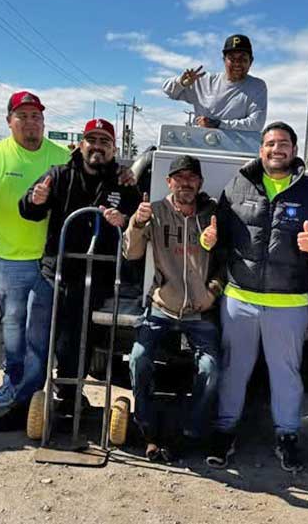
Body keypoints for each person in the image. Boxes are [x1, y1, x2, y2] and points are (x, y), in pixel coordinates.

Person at [202, 121, 308, 473]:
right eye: (270, 143)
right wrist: (209, 242)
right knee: (234, 369)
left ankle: (288, 436)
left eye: (284, 144)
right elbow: (221, 238)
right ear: (260, 149)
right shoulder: (237, 185)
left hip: (289, 303)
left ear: (294, 150)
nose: (276, 150)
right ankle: (224, 430)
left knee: (286, 374)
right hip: (239, 300)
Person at [0, 91, 70, 427]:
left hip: (52, 261)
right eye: (23, 116)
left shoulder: (61, 156)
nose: (31, 122)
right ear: (9, 121)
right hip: (9, 260)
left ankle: (31, 391)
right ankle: (13, 380)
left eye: (36, 116)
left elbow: (93, 176)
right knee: (13, 328)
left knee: (39, 332)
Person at [18, 118, 140, 424]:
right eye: (92, 140)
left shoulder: (123, 182)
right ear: (81, 144)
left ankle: (71, 395)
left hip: (98, 275)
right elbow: (29, 209)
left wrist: (123, 220)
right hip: (57, 271)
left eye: (104, 142)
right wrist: (35, 200)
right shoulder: (59, 175)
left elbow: (138, 221)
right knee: (44, 337)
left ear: (113, 149)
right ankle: (31, 398)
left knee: (82, 337)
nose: (97, 147)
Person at [123, 155, 221, 461]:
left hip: (200, 310)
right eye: (179, 178)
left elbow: (230, 261)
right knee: (138, 358)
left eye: (192, 178)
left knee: (211, 368)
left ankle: (190, 431)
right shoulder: (155, 211)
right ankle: (147, 427)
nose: (186, 183)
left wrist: (213, 293)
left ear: (200, 183)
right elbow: (131, 253)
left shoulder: (214, 214)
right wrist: (136, 223)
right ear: (169, 182)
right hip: (162, 306)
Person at [162, 34, 267, 132]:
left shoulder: (257, 86)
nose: (237, 63)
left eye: (242, 59)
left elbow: (256, 123)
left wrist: (218, 124)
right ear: (224, 60)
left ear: (251, 61)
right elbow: (168, 91)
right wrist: (181, 83)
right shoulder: (204, 81)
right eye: (232, 58)